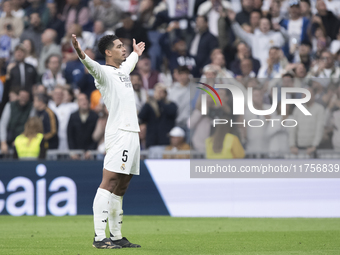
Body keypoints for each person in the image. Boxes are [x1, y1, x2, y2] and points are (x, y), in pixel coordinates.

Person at [72, 33, 145, 248]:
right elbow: (89, 63)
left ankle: (116, 236)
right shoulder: (103, 73)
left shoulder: (123, 70)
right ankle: (98, 237)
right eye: (119, 46)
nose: (124, 49)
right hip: (119, 133)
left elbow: (130, 61)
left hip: (133, 133)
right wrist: (79, 51)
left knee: (122, 185)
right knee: (110, 181)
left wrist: (136, 53)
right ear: (108, 52)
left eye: (124, 46)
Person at [67, 93, 98, 158]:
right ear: (78, 103)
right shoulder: (73, 116)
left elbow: (96, 136)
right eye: (81, 100)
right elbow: (70, 135)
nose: (84, 101)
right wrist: (72, 152)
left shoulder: (94, 116)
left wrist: (91, 150)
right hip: (76, 153)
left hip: (91, 154)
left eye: (85, 99)